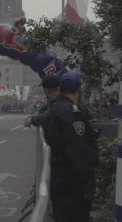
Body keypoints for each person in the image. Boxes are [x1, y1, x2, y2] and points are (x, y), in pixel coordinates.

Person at [45, 72, 99, 222]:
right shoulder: (73, 113)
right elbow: (79, 153)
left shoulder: (53, 110)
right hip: (73, 185)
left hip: (58, 181)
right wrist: (89, 186)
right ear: (78, 90)